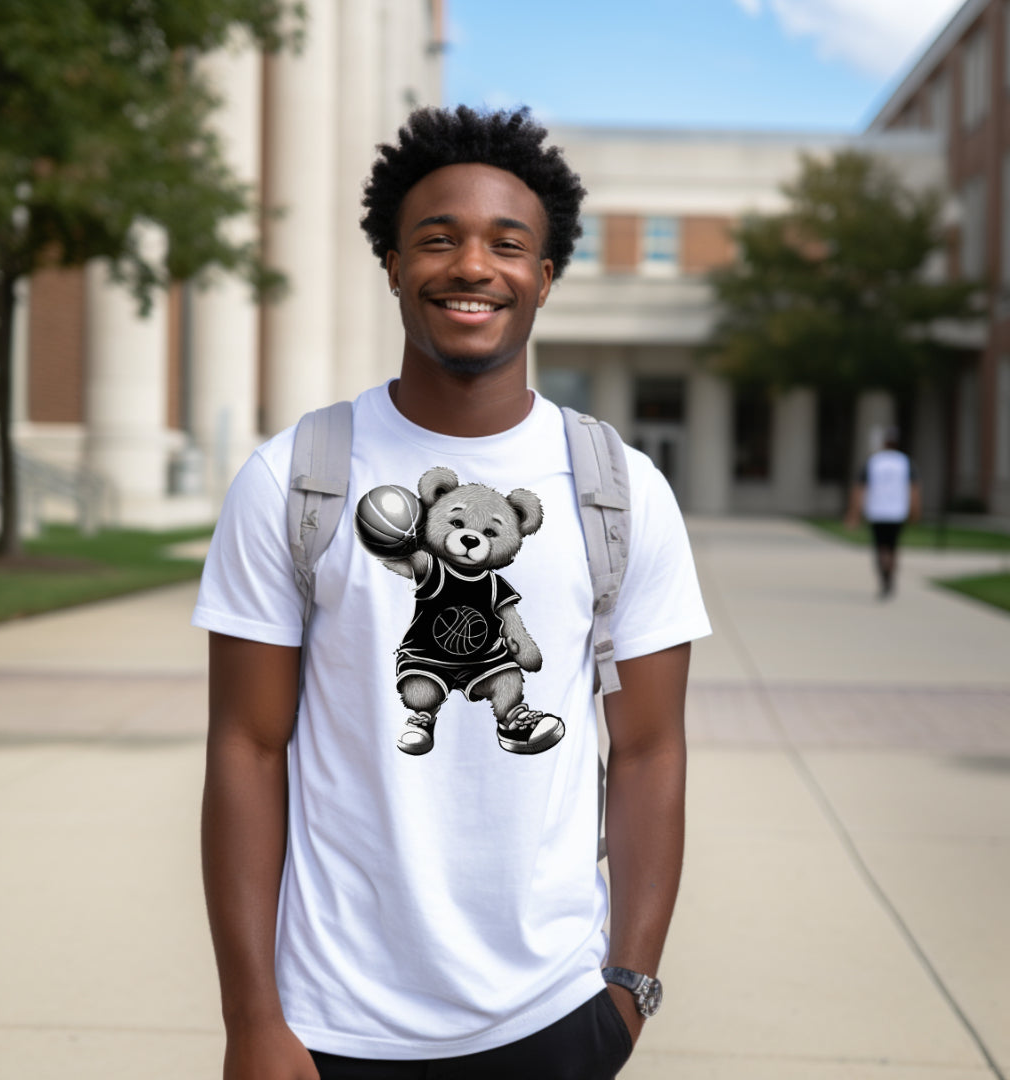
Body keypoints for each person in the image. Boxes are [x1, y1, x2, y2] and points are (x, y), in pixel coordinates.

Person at [193, 105, 712, 1080]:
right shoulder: (295, 479)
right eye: (437, 239)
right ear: (392, 263)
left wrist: (628, 991)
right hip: (328, 1023)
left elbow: (647, 749)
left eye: (506, 244)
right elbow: (247, 747)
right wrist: (253, 1018)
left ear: (545, 277)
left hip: (555, 1016)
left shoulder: (620, 490)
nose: (472, 265)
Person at [846, 427, 921, 598]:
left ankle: (884, 577)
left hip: (877, 510)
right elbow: (914, 489)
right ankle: (890, 575)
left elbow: (859, 488)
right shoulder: (905, 462)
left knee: (880, 546)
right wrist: (915, 510)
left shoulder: (873, 461)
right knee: (893, 546)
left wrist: (854, 512)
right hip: (897, 511)